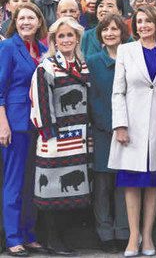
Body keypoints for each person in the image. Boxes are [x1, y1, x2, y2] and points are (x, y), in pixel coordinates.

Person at [108, 6, 156, 257]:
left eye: (148, 21)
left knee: (153, 183)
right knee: (131, 183)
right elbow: (118, 91)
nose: (143, 26)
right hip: (132, 128)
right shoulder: (126, 51)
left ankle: (148, 236)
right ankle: (132, 236)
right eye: (139, 21)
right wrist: (120, 125)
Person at [30, 17, 92, 255]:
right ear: (54, 40)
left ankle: (64, 238)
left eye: (70, 35)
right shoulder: (46, 67)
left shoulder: (82, 65)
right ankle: (53, 240)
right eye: (61, 36)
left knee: (72, 191)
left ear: (77, 38)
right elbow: (41, 103)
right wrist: (49, 135)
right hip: (56, 138)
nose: (66, 40)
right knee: (52, 188)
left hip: (79, 137)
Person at [0, 3, 47, 256]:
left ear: (39, 22)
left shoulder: (43, 49)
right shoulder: (7, 47)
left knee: (32, 183)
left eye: (31, 17)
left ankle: (29, 234)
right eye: (22, 18)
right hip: (15, 124)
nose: (26, 22)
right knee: (14, 182)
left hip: (38, 126)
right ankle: (13, 237)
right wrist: (2, 123)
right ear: (15, 22)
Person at [86, 14, 130, 253]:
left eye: (115, 29)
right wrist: (108, 124)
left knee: (123, 184)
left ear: (122, 32)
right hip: (103, 130)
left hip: (128, 130)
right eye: (105, 29)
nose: (110, 33)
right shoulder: (92, 61)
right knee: (102, 184)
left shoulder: (131, 58)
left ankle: (123, 231)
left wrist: (124, 124)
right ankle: (104, 233)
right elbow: (92, 98)